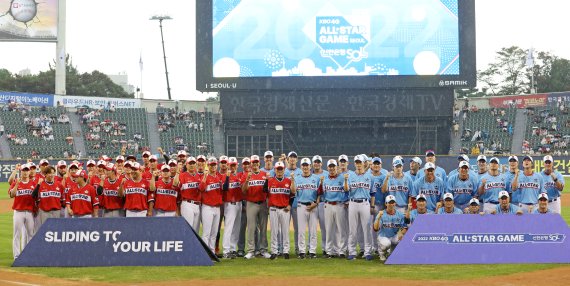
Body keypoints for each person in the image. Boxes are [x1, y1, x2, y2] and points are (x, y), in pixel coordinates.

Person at [264, 161, 296, 260]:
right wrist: (266, 180)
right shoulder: (270, 181)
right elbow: (264, 191)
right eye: (278, 169)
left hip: (285, 209)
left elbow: (293, 194)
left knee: (285, 231)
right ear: (275, 170)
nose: (279, 171)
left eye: (281, 169)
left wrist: (290, 205)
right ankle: (274, 251)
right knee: (274, 231)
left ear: (283, 170)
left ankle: (286, 251)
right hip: (273, 208)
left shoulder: (288, 180)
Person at [346, 155, 375, 260]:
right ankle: (352, 252)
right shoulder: (349, 176)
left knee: (367, 229)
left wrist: (372, 206)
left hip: (365, 203)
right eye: (357, 162)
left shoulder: (370, 176)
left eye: (360, 162)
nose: (358, 164)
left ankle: (368, 252)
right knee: (352, 229)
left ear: (364, 163)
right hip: (353, 203)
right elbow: (346, 190)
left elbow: (373, 193)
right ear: (354, 163)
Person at [242, 155, 270, 259]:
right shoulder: (246, 175)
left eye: (256, 162)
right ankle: (251, 251)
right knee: (251, 228)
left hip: (263, 203)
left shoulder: (264, 174)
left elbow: (268, 190)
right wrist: (247, 180)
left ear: (259, 163)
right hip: (251, 203)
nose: (254, 164)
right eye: (253, 162)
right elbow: (244, 190)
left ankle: (263, 250)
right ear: (250, 164)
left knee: (263, 227)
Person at [322, 159, 349, 258]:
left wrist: (346, 201)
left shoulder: (342, 178)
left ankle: (342, 251)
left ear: (337, 167)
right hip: (328, 205)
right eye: (330, 166)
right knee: (329, 229)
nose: (332, 168)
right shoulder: (325, 179)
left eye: (333, 166)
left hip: (339, 205)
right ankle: (329, 251)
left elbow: (347, 191)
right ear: (327, 168)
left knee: (341, 229)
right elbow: (323, 193)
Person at [294, 157, 321, 259]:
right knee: (301, 231)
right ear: (301, 167)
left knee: (313, 230)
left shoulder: (316, 178)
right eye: (303, 165)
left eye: (307, 165)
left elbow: (319, 193)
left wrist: (316, 203)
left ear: (310, 166)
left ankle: (312, 251)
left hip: (313, 206)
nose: (305, 167)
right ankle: (302, 251)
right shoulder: (296, 179)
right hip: (301, 205)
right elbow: (293, 192)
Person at [9, 163, 36, 259]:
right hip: (18, 212)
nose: (25, 172)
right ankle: (16, 256)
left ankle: (29, 254)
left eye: (27, 170)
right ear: (21, 172)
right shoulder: (16, 181)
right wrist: (16, 184)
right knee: (17, 234)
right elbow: (12, 195)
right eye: (24, 170)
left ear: (29, 172)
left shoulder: (33, 183)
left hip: (29, 212)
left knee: (30, 234)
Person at [198, 157, 224, 253]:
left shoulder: (219, 177)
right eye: (211, 165)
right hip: (207, 207)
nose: (213, 166)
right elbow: (201, 189)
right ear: (208, 166)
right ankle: (205, 253)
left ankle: (212, 253)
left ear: (217, 165)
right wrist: (205, 176)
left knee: (214, 233)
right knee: (206, 233)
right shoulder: (204, 176)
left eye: (214, 165)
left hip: (217, 208)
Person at [373, 195, 407, 262]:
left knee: (402, 241)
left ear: (395, 203)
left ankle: (390, 253)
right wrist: (379, 217)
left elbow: (404, 228)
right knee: (386, 244)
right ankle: (381, 253)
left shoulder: (400, 215)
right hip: (383, 236)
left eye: (392, 202)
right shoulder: (381, 214)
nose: (391, 204)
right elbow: (375, 229)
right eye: (389, 203)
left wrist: (401, 234)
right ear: (386, 204)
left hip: (393, 236)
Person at [221, 157, 243, 259]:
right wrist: (227, 177)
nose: (233, 167)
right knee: (229, 227)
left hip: (239, 203)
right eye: (231, 165)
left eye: (234, 165)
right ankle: (226, 250)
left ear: (237, 166)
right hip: (229, 204)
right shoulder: (224, 176)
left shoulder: (239, 176)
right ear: (228, 165)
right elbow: (224, 188)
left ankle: (233, 249)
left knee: (236, 228)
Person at [174, 157, 202, 231]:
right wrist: (177, 172)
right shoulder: (182, 175)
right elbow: (175, 184)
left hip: (197, 205)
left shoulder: (199, 176)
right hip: (187, 204)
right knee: (188, 229)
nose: (192, 165)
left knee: (196, 230)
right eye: (190, 163)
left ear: (196, 165)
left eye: (193, 163)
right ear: (186, 165)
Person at [312, 155, 329, 255]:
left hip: (323, 203)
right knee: (312, 228)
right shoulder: (309, 174)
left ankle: (325, 248)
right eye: (315, 162)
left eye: (318, 162)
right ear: (313, 164)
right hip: (312, 204)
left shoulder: (327, 174)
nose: (317, 164)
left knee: (324, 227)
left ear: (321, 163)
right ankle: (312, 249)